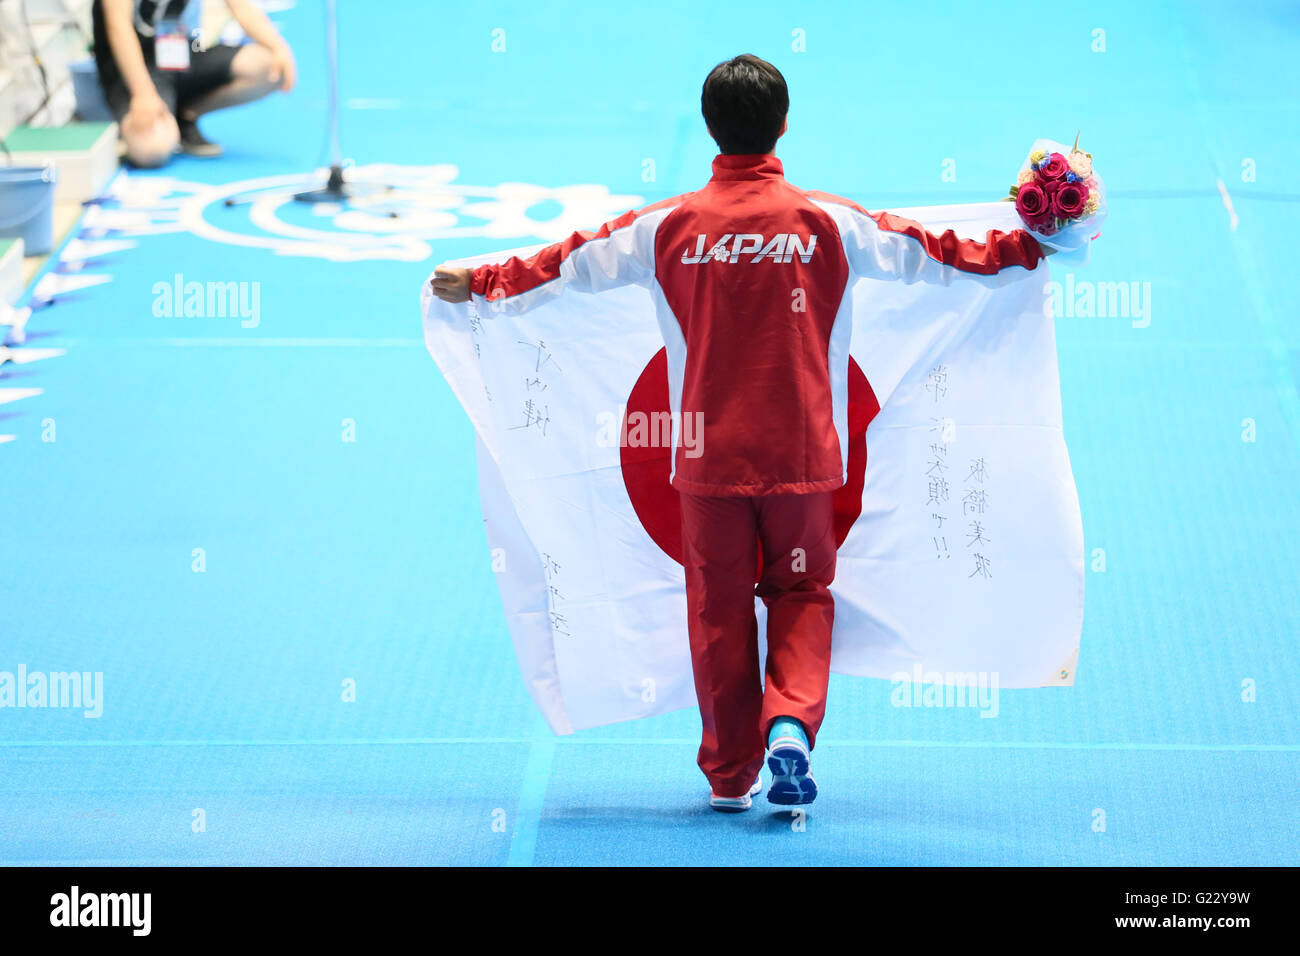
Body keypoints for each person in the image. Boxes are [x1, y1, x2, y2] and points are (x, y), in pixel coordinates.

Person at [430, 54, 1051, 812]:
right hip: (803, 459)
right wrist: (1032, 244)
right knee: (798, 590)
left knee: (718, 610)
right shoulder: (829, 221)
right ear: (784, 124)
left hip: (706, 461)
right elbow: (935, 253)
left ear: (709, 128)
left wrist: (485, 280)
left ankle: (730, 776)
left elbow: (568, 263)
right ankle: (789, 721)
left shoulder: (663, 227)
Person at [92, 0, 295, 166]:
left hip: (181, 55)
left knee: (271, 69)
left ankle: (185, 115)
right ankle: (154, 118)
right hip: (133, 69)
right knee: (151, 150)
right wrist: (142, 94)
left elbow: (241, 7)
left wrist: (279, 48)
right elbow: (117, 25)